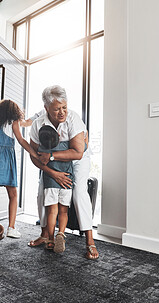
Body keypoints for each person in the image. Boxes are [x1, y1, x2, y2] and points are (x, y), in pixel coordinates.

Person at [28, 85, 99, 260]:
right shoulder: (38, 124)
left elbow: (78, 152)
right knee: (41, 192)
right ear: (46, 109)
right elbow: (35, 156)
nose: (62, 112)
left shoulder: (73, 119)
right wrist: (52, 173)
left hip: (77, 160)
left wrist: (51, 156)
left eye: (64, 107)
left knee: (79, 193)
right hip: (52, 163)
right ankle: (46, 234)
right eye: (57, 109)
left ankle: (90, 241)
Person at [0, 99, 42, 247]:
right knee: (13, 195)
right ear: (14, 112)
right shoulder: (13, 121)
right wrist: (35, 154)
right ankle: (11, 228)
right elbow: (21, 140)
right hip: (5, 159)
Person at [37, 125, 74, 253]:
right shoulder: (66, 146)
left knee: (52, 212)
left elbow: (40, 161)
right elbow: (82, 149)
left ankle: (51, 239)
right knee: (63, 212)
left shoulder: (42, 150)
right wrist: (85, 141)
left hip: (50, 183)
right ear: (58, 135)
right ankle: (61, 234)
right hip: (67, 182)